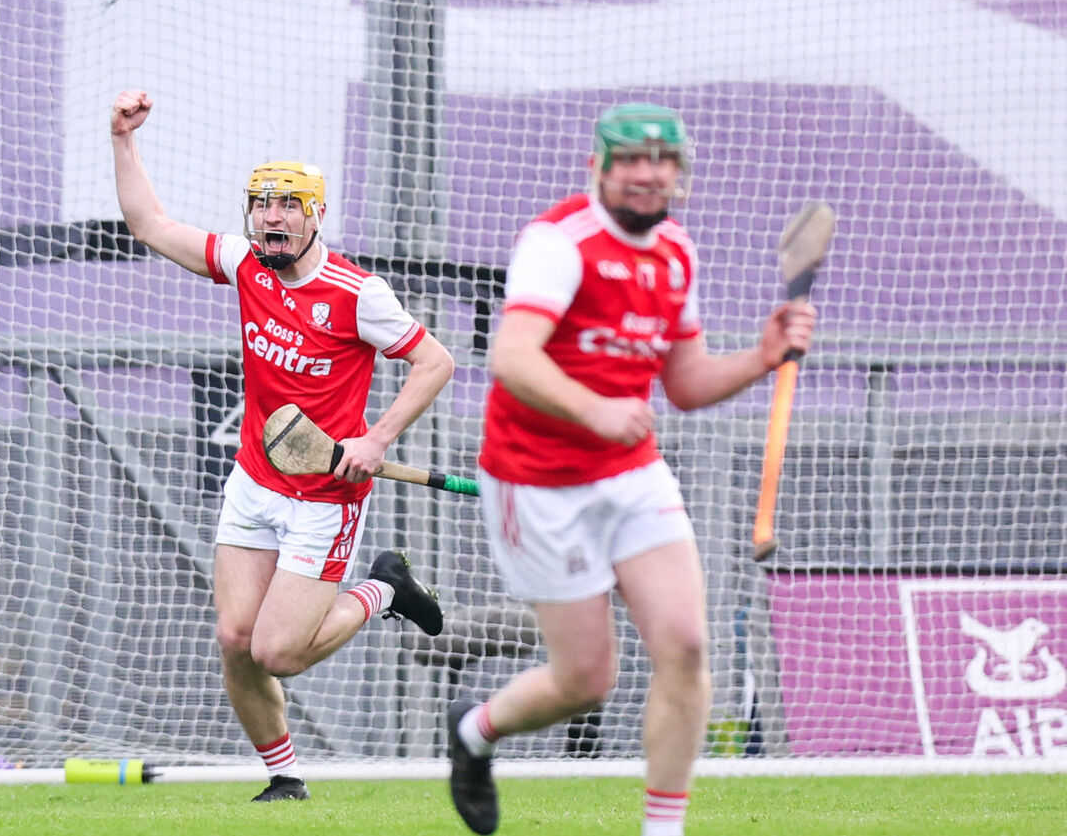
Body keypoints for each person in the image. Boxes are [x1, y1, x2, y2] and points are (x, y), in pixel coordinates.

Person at [447, 103, 817, 835]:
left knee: (685, 643)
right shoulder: (560, 242)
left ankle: (663, 829)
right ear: (599, 169)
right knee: (587, 680)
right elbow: (512, 357)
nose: (648, 174)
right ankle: (474, 732)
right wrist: (595, 407)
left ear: (678, 175)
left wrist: (761, 355)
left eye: (663, 161)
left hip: (630, 472)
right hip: (537, 479)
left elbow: (684, 383)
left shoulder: (677, 252)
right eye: (630, 160)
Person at [110, 89, 456, 802]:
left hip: (325, 498)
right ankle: (284, 776)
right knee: (236, 638)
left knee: (278, 651)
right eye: (262, 203)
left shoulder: (357, 293)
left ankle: (384, 588)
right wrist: (122, 138)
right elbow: (148, 222)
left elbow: (436, 363)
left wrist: (376, 435)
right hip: (255, 482)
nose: (272, 217)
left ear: (316, 214)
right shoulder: (244, 265)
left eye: (288, 204)